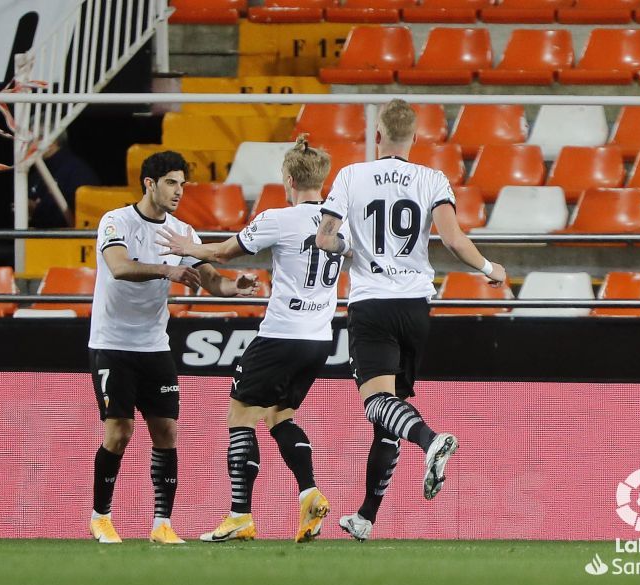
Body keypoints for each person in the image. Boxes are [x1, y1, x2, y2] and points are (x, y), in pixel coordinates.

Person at [315, 99, 506, 541]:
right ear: (414, 139)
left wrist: (347, 248)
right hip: (416, 307)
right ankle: (365, 517)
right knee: (389, 414)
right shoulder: (431, 178)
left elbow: (325, 237)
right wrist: (489, 269)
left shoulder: (351, 175)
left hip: (373, 304)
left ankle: (430, 439)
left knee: (376, 404)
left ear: (377, 136)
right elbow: (453, 239)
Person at [157, 135, 347, 543]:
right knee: (280, 416)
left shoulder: (280, 217)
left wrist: (189, 247)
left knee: (241, 417)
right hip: (318, 339)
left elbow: (225, 252)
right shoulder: (337, 221)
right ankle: (309, 493)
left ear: (290, 179)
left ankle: (239, 515)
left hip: (280, 334)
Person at [88, 151, 257, 545]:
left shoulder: (182, 233)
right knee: (119, 432)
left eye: (183, 185)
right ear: (150, 183)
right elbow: (119, 266)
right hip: (111, 343)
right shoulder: (116, 221)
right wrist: (169, 269)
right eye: (171, 183)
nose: (179, 192)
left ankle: (161, 524)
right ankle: (100, 516)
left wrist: (236, 287)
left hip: (154, 346)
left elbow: (212, 281)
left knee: (166, 431)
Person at [28, 133, 99, 228]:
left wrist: (37, 210)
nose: (25, 143)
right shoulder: (35, 171)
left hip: (65, 240)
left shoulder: (77, 171)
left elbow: (84, 216)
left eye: (30, 138)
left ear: (50, 140)